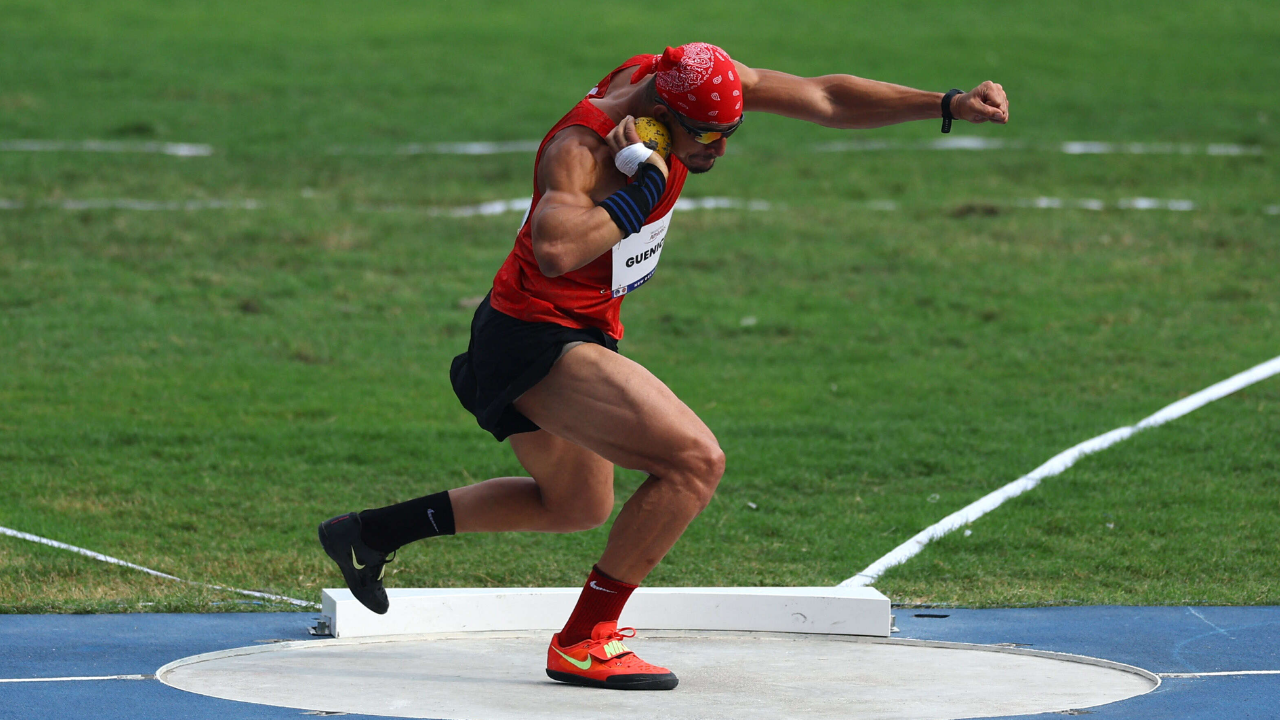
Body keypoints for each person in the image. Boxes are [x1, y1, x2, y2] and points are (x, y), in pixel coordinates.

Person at [319, 42, 1009, 691]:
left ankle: (370, 534)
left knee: (576, 505)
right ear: (659, 115)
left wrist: (944, 103)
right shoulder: (582, 149)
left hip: (562, 328)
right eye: (705, 137)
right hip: (536, 338)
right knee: (694, 461)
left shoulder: (698, 77)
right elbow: (557, 248)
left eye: (728, 132)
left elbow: (826, 98)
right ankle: (585, 640)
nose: (718, 148)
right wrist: (641, 191)